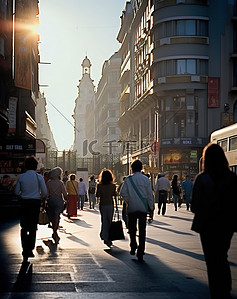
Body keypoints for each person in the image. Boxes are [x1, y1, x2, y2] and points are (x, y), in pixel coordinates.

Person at [191, 143, 237, 299]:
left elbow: (195, 205)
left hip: (207, 224)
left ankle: (216, 291)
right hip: (226, 223)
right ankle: (226, 288)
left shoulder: (202, 178)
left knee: (211, 259)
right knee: (222, 255)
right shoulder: (232, 178)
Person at [120, 160, 154, 262]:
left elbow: (122, 192)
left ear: (132, 168)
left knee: (132, 228)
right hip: (143, 208)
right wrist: (151, 208)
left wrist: (129, 200)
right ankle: (141, 251)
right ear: (141, 168)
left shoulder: (128, 179)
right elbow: (150, 195)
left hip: (132, 207)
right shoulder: (146, 180)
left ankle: (133, 244)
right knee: (142, 230)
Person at [14, 156, 47, 262]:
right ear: (36, 166)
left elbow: (16, 192)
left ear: (25, 165)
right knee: (33, 227)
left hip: (24, 203)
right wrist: (39, 196)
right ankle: (30, 249)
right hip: (35, 203)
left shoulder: (21, 177)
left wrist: (23, 194)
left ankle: (24, 248)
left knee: (24, 227)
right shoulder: (39, 177)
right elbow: (45, 192)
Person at [96, 169, 117, 247]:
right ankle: (109, 237)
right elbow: (114, 195)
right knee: (110, 221)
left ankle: (105, 237)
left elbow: (97, 195)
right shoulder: (113, 186)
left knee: (104, 221)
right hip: (110, 204)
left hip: (103, 204)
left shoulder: (100, 185)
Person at [46, 167, 67, 244]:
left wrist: (44, 201)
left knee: (51, 216)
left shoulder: (48, 183)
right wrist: (66, 200)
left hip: (50, 200)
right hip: (59, 200)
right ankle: (55, 231)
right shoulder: (60, 183)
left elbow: (46, 194)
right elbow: (64, 194)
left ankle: (54, 230)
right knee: (57, 216)